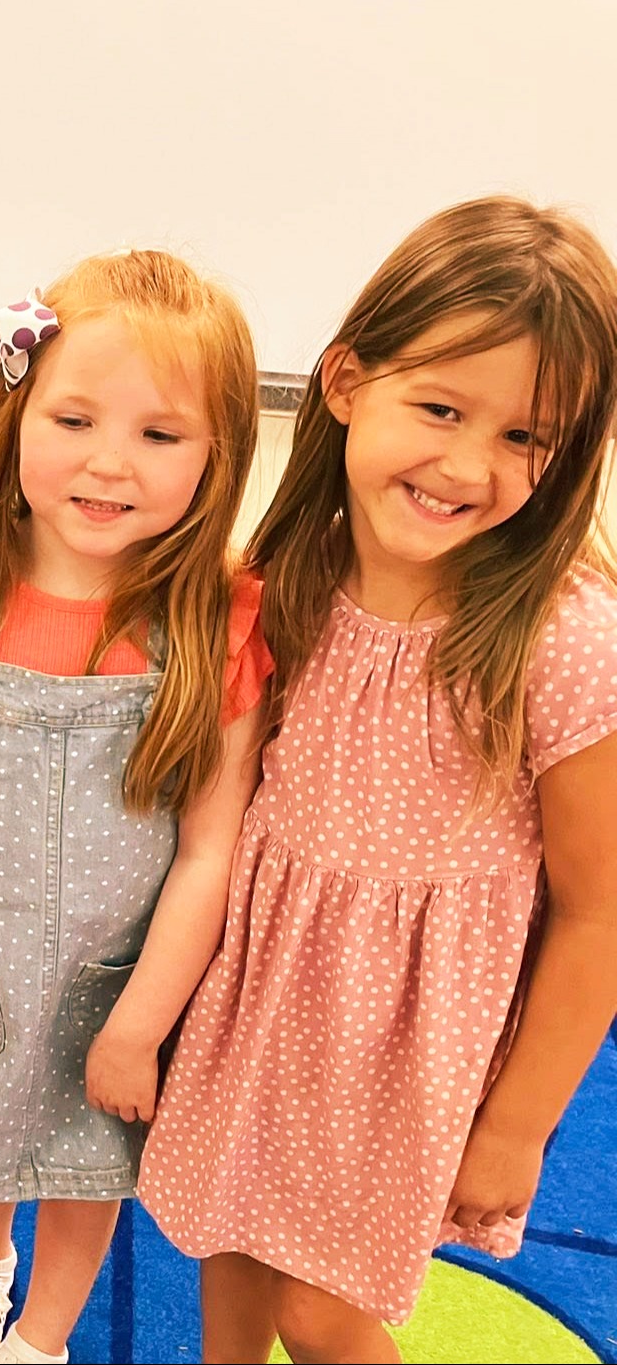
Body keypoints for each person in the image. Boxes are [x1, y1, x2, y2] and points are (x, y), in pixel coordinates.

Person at [139, 196, 617, 1364]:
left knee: (321, 1309)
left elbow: (598, 909)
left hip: (402, 1039)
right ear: (347, 381)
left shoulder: (564, 645)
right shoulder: (284, 574)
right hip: (258, 991)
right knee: (226, 1240)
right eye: (440, 408)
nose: (466, 464)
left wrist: (516, 1129)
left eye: (523, 438)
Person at [0, 253, 269, 1363]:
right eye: (74, 417)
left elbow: (207, 853)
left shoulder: (218, 622)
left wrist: (137, 1023)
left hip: (120, 980)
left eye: (158, 435)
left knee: (88, 1165)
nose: (106, 465)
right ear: (14, 408)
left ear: (216, 454)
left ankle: (40, 1336)